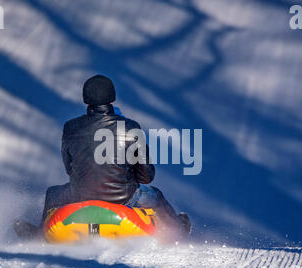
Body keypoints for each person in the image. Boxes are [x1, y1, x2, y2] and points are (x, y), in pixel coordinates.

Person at [16, 75, 190, 240]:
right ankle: (177, 230)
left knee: (52, 193)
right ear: (112, 99)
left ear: (86, 99)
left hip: (79, 196)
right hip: (125, 199)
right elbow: (146, 176)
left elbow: (69, 169)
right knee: (155, 195)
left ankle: (39, 235)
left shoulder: (71, 127)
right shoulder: (130, 127)